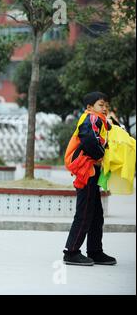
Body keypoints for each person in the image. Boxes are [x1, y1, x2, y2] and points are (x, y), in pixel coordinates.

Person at [63, 92, 117, 266]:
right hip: (86, 171)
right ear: (89, 107)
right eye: (101, 104)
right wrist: (101, 155)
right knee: (85, 213)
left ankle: (95, 251)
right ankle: (71, 252)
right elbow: (88, 140)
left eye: (105, 105)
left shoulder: (99, 121)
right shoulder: (91, 118)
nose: (104, 108)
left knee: (96, 215)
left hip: (91, 171)